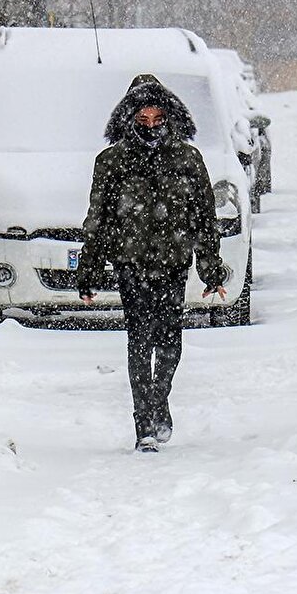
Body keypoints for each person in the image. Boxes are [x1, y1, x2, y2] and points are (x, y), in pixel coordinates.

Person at [76, 77, 230, 453]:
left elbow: (204, 219)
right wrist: (90, 270)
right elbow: (97, 220)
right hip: (131, 265)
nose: (150, 125)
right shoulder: (111, 162)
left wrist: (211, 270)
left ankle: (159, 402)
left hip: (174, 263)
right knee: (139, 340)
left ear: (169, 116)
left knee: (170, 341)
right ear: (129, 118)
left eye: (156, 117)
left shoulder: (187, 159)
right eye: (142, 118)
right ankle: (144, 421)